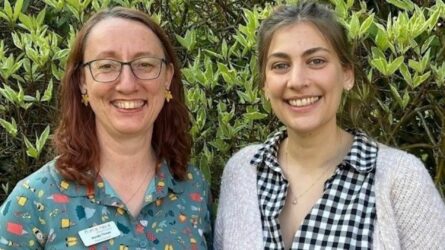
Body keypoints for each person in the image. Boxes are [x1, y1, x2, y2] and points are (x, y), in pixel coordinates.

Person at [214, 1, 445, 249]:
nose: (297, 81)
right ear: (265, 84)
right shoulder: (241, 172)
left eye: (316, 61)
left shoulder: (401, 179)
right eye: (280, 65)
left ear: (347, 74)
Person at [0, 7, 211, 249]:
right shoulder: (33, 201)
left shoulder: (193, 188)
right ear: (82, 82)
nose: (128, 84)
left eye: (145, 64)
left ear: (167, 77)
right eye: (107, 66)